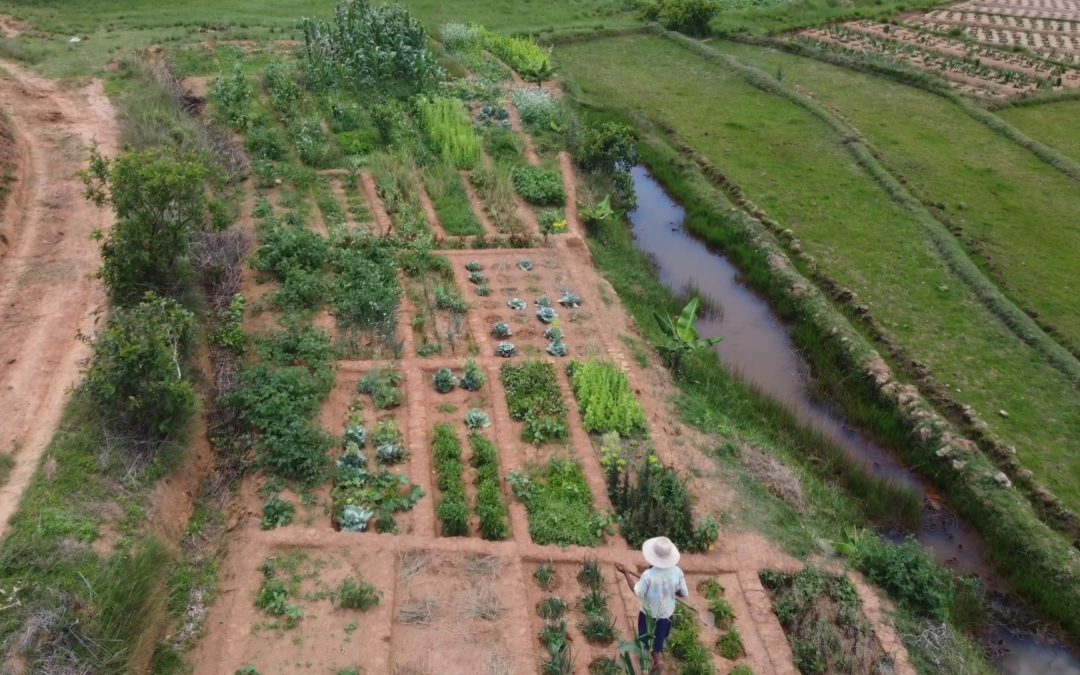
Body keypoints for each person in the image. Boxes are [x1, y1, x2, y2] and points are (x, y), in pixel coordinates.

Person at [616, 536, 688, 674]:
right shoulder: (677, 572)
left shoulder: (648, 575)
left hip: (649, 615)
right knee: (659, 641)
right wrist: (673, 592)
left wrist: (626, 573)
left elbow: (637, 591)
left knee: (646, 638)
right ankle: (658, 660)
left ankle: (648, 663)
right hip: (666, 615)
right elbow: (683, 593)